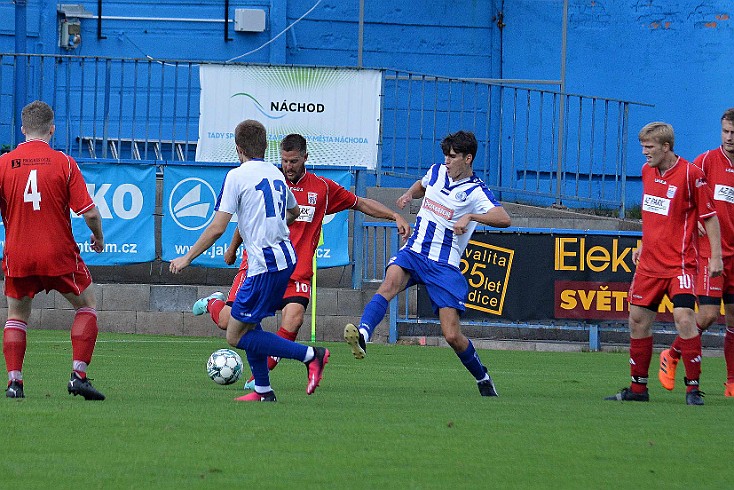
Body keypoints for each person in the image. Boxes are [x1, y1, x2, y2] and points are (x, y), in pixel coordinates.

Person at [192, 133, 411, 389]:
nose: (288, 166)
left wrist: (394, 215)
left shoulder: (322, 188)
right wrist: (232, 248)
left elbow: (360, 203)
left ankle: (258, 381)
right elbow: (247, 218)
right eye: (284, 161)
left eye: (294, 161)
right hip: (259, 266)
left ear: (305, 157)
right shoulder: (270, 181)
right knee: (227, 323)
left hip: (296, 271)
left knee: (293, 320)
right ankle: (213, 303)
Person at [169, 120, 329, 402]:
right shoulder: (275, 174)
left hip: (264, 266)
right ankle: (263, 390)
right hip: (284, 259)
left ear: (238, 148)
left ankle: (310, 355)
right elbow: (292, 211)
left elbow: (218, 227)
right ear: (266, 148)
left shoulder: (237, 176)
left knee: (234, 335)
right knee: (251, 324)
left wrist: (187, 257)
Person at [343, 130, 512, 397]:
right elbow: (422, 185)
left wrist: (471, 216)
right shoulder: (436, 171)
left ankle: (482, 376)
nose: (447, 160)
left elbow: (503, 218)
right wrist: (409, 196)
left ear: (468, 158)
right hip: (415, 250)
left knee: (452, 335)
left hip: (444, 264)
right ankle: (364, 333)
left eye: (453, 156)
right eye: (445, 155)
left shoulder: (476, 191)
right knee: (388, 285)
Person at [605, 122, 722, 406]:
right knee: (637, 320)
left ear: (666, 146)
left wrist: (716, 256)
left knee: (684, 317)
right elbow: (654, 216)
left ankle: (693, 389)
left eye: (650, 147)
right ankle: (638, 389)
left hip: (680, 264)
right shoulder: (647, 172)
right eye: (643, 147)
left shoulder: (691, 174)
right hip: (649, 265)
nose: (645, 153)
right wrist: (644, 245)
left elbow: (709, 216)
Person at [1, 100, 106, 400]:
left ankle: (14, 383)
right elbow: (90, 213)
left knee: (17, 316)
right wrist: (97, 237)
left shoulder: (3, 163)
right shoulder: (64, 163)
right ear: (52, 129)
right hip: (58, 254)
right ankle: (78, 376)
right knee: (86, 305)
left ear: (22, 129)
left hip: (18, 255)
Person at [658, 108, 734, 397]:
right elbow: (686, 195)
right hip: (710, 253)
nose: (729, 137)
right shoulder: (705, 162)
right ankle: (673, 354)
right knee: (709, 315)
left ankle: (731, 382)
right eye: (725, 131)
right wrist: (698, 221)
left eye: (733, 133)